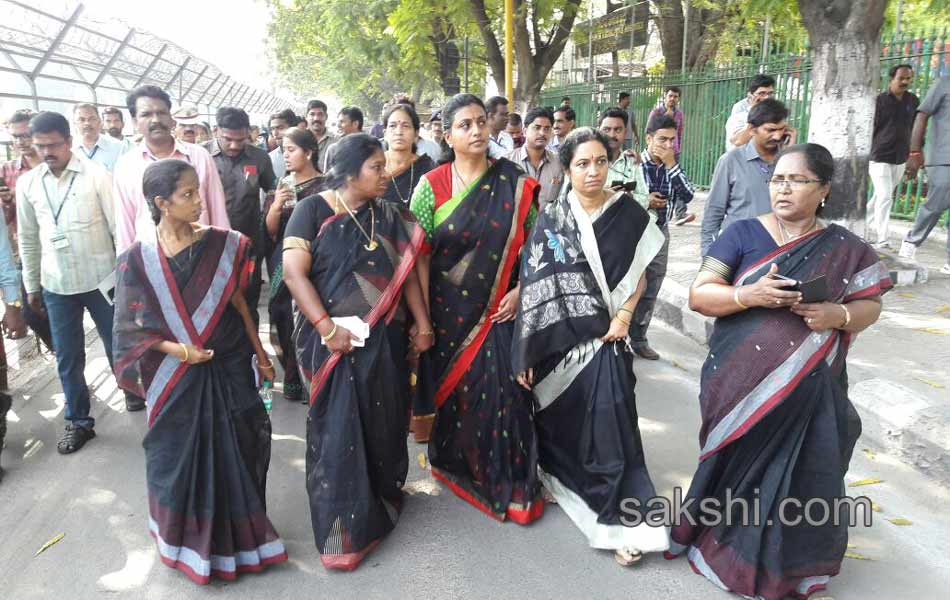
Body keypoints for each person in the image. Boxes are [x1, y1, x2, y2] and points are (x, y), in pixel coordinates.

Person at [671, 143, 891, 600]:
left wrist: (838, 315)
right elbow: (699, 294)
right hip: (738, 383)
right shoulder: (742, 233)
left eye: (797, 180)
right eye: (776, 179)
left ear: (824, 190)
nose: (783, 188)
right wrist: (747, 296)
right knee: (738, 470)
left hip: (810, 390)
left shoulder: (846, 249)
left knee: (807, 474)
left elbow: (871, 304)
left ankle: (793, 568)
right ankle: (723, 546)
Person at [112, 159, 286, 584]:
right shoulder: (137, 259)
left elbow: (241, 303)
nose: (199, 203)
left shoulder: (227, 244)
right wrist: (180, 352)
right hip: (177, 372)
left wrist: (261, 354)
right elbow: (130, 328)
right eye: (187, 195)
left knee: (241, 444)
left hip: (227, 361)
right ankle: (185, 542)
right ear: (161, 203)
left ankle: (242, 540)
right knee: (175, 454)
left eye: (198, 192)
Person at [513, 127, 667, 567]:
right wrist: (528, 351)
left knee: (613, 424)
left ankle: (623, 520)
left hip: (610, 341)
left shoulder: (629, 214)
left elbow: (639, 272)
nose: (594, 171)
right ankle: (564, 480)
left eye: (601, 161)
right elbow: (536, 288)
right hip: (562, 345)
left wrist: (623, 317)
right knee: (567, 427)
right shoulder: (552, 219)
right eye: (583, 163)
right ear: (568, 167)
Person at [281, 134, 431, 570]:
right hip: (329, 345)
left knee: (382, 422)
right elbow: (293, 274)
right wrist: (327, 329)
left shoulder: (388, 213)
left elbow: (408, 275)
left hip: (383, 339)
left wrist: (422, 323)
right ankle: (342, 533)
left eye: (385, 166)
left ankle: (380, 501)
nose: (385, 175)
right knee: (336, 434)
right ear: (349, 173)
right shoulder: (312, 210)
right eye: (376, 168)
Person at [410, 93, 544, 523]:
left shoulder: (515, 182)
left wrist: (522, 290)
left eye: (481, 122)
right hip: (446, 313)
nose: (477, 131)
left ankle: (508, 478)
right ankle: (458, 462)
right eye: (465, 125)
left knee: (506, 395)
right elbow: (419, 257)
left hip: (499, 309)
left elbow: (536, 245)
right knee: (458, 397)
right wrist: (422, 319)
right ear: (447, 135)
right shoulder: (431, 186)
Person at [16, 112, 126, 452]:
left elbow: (118, 230)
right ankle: (79, 421)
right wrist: (32, 287)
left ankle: (136, 396)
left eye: (53, 145)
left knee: (118, 345)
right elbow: (29, 239)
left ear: (68, 141)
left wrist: (125, 278)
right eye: (40, 145)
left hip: (101, 281)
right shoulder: (28, 184)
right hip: (56, 285)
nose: (47, 151)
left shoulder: (97, 177)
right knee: (68, 355)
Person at [112, 85, 230, 253]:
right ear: (134, 122)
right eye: (146, 114)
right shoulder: (126, 166)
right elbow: (125, 224)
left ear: (171, 118)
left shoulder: (199, 156)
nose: (155, 120)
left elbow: (218, 211)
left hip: (201, 256)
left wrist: (224, 257)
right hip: (150, 262)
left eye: (161, 113)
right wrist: (127, 269)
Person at [262, 127, 325, 404]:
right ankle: (292, 378)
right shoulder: (282, 185)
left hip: (316, 259)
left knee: (311, 315)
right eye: (283, 150)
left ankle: (315, 376)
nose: (285, 156)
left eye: (291, 150)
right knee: (282, 313)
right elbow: (271, 230)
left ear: (308, 152)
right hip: (283, 258)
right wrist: (276, 206)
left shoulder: (326, 187)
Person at [628, 114, 695, 360]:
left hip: (660, 232)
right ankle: (617, 335)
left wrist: (671, 165)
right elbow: (620, 195)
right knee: (627, 285)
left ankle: (639, 338)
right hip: (634, 232)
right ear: (648, 138)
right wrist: (646, 201)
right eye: (662, 140)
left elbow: (687, 195)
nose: (668, 145)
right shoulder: (633, 163)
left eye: (672, 140)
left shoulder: (672, 166)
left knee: (652, 285)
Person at [203, 106, 276, 318]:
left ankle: (249, 345)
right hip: (210, 244)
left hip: (249, 242)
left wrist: (269, 217)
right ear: (216, 130)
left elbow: (271, 189)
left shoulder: (259, 158)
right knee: (215, 301)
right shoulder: (201, 156)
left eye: (241, 140)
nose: (234, 146)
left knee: (249, 296)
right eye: (228, 139)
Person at [701, 99, 792, 255]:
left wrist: (789, 156)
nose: (777, 136)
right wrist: (708, 254)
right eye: (770, 130)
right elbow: (714, 211)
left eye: (782, 129)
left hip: (780, 250)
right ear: (752, 129)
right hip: (740, 250)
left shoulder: (791, 161)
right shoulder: (731, 161)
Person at [2, 109, 53, 349]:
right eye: (15, 137)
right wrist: (7, 204)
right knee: (33, 312)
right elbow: (7, 219)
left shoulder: (55, 162)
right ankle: (58, 348)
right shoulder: (7, 171)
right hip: (30, 252)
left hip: (61, 248)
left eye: (25, 135)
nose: (20, 142)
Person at [900, 76, 950, 274]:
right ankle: (911, 242)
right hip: (942, 156)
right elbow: (922, 115)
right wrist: (914, 152)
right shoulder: (944, 82)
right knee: (936, 203)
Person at [866, 65, 918, 249]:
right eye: (901, 78)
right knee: (885, 196)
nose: (905, 82)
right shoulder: (879, 101)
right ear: (890, 79)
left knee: (880, 197)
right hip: (879, 154)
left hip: (900, 156)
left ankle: (860, 227)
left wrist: (914, 154)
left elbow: (914, 128)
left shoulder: (913, 100)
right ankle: (883, 238)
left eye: (908, 78)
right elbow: (871, 128)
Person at [648, 87, 692, 225]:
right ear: (665, 96)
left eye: (676, 97)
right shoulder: (656, 112)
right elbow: (649, 129)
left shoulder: (679, 114)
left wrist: (675, 148)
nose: (673, 99)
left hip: (674, 153)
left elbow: (678, 132)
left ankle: (680, 213)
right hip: (655, 152)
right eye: (671, 96)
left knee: (676, 179)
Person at [506, 107, 564, 207]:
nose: (542, 133)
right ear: (524, 131)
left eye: (547, 129)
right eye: (537, 128)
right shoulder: (508, 162)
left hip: (549, 221)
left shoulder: (559, 163)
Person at [382, 103, 436, 206]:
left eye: (405, 126)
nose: (398, 132)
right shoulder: (373, 168)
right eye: (393, 126)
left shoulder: (428, 168)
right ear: (385, 133)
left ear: (416, 134)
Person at [725, 74, 776, 150]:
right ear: (750, 95)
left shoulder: (773, 111)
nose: (767, 97)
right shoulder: (740, 110)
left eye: (770, 93)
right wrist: (753, 111)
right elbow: (738, 141)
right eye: (762, 93)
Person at [71, 104, 127, 173]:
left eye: (92, 119)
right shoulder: (69, 149)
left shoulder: (119, 147)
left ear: (100, 122)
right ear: (74, 123)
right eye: (81, 120)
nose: (87, 123)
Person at [600, 107, 637, 185]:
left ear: (625, 132)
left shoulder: (632, 162)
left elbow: (644, 195)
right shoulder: (589, 161)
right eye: (606, 130)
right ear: (598, 131)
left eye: (618, 130)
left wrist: (625, 194)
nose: (612, 135)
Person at [323, 106, 365, 172]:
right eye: (338, 122)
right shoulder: (333, 150)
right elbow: (327, 179)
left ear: (355, 124)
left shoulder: (373, 147)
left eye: (342, 122)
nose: (338, 125)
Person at [305, 99, 337, 171]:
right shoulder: (298, 140)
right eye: (312, 114)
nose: (316, 118)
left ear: (326, 117)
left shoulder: (337, 141)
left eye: (320, 114)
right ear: (306, 117)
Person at [267, 108, 297, 179]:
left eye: (280, 128)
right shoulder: (269, 159)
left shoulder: (306, 155)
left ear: (293, 128)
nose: (275, 133)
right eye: (272, 129)